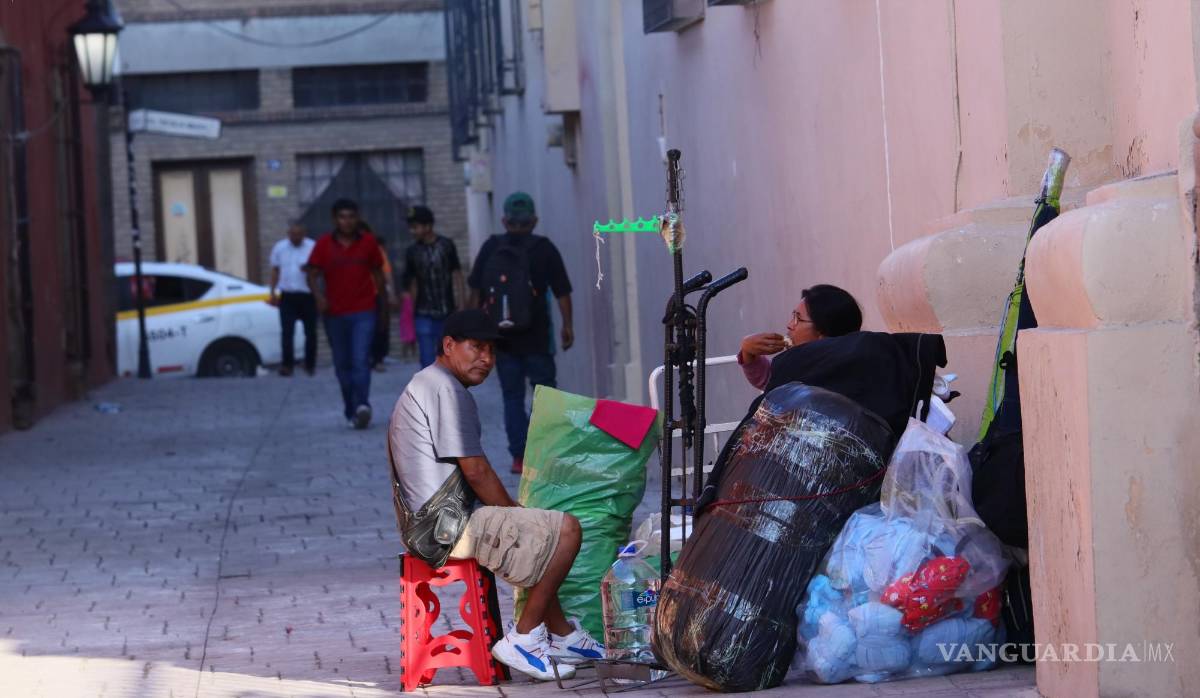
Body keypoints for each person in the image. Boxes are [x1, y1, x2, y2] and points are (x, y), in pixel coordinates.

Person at [388, 310, 605, 680]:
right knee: (565, 530)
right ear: (449, 345)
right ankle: (523, 639)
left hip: (431, 523)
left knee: (538, 534)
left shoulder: (429, 382)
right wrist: (515, 513)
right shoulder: (445, 390)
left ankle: (563, 636)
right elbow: (476, 470)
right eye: (476, 347)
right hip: (443, 527)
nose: (486, 359)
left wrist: (521, 518)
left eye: (491, 350)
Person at [698, 283, 946, 511]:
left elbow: (775, 387)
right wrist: (748, 354)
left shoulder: (825, 366)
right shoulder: (810, 365)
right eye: (792, 316)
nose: (789, 325)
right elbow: (772, 385)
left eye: (798, 318)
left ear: (822, 333)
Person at [468, 192, 573, 474]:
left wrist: (473, 331)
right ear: (534, 220)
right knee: (545, 396)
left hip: (502, 340)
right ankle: (547, 452)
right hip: (538, 337)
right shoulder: (544, 248)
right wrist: (567, 325)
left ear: (505, 221)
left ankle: (520, 456)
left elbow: (475, 291)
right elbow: (562, 290)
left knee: (512, 397)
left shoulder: (491, 247)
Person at [306, 199, 388, 429]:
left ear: (357, 218)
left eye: (351, 216)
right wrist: (319, 297)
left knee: (360, 359)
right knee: (342, 364)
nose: (347, 221)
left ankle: (362, 404)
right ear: (335, 219)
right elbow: (311, 274)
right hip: (334, 314)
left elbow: (378, 275)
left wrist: (383, 306)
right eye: (342, 217)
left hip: (364, 311)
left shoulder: (369, 242)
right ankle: (351, 410)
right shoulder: (323, 244)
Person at [401, 205, 463, 368]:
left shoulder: (447, 245)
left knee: (449, 360)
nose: (412, 231)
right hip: (423, 314)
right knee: (427, 361)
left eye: (415, 227)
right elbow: (410, 284)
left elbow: (457, 274)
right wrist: (409, 314)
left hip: (447, 313)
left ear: (428, 226)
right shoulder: (412, 251)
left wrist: (462, 303)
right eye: (411, 227)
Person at [268, 221, 317, 376]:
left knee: (310, 332)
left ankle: (310, 364)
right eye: (293, 234)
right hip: (287, 295)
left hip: (308, 295)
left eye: (299, 234)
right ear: (288, 234)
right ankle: (287, 365)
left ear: (304, 234)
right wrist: (272, 292)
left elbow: (320, 270)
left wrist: (310, 269)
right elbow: (275, 270)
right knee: (287, 332)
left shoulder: (312, 247)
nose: (296, 237)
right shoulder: (280, 247)